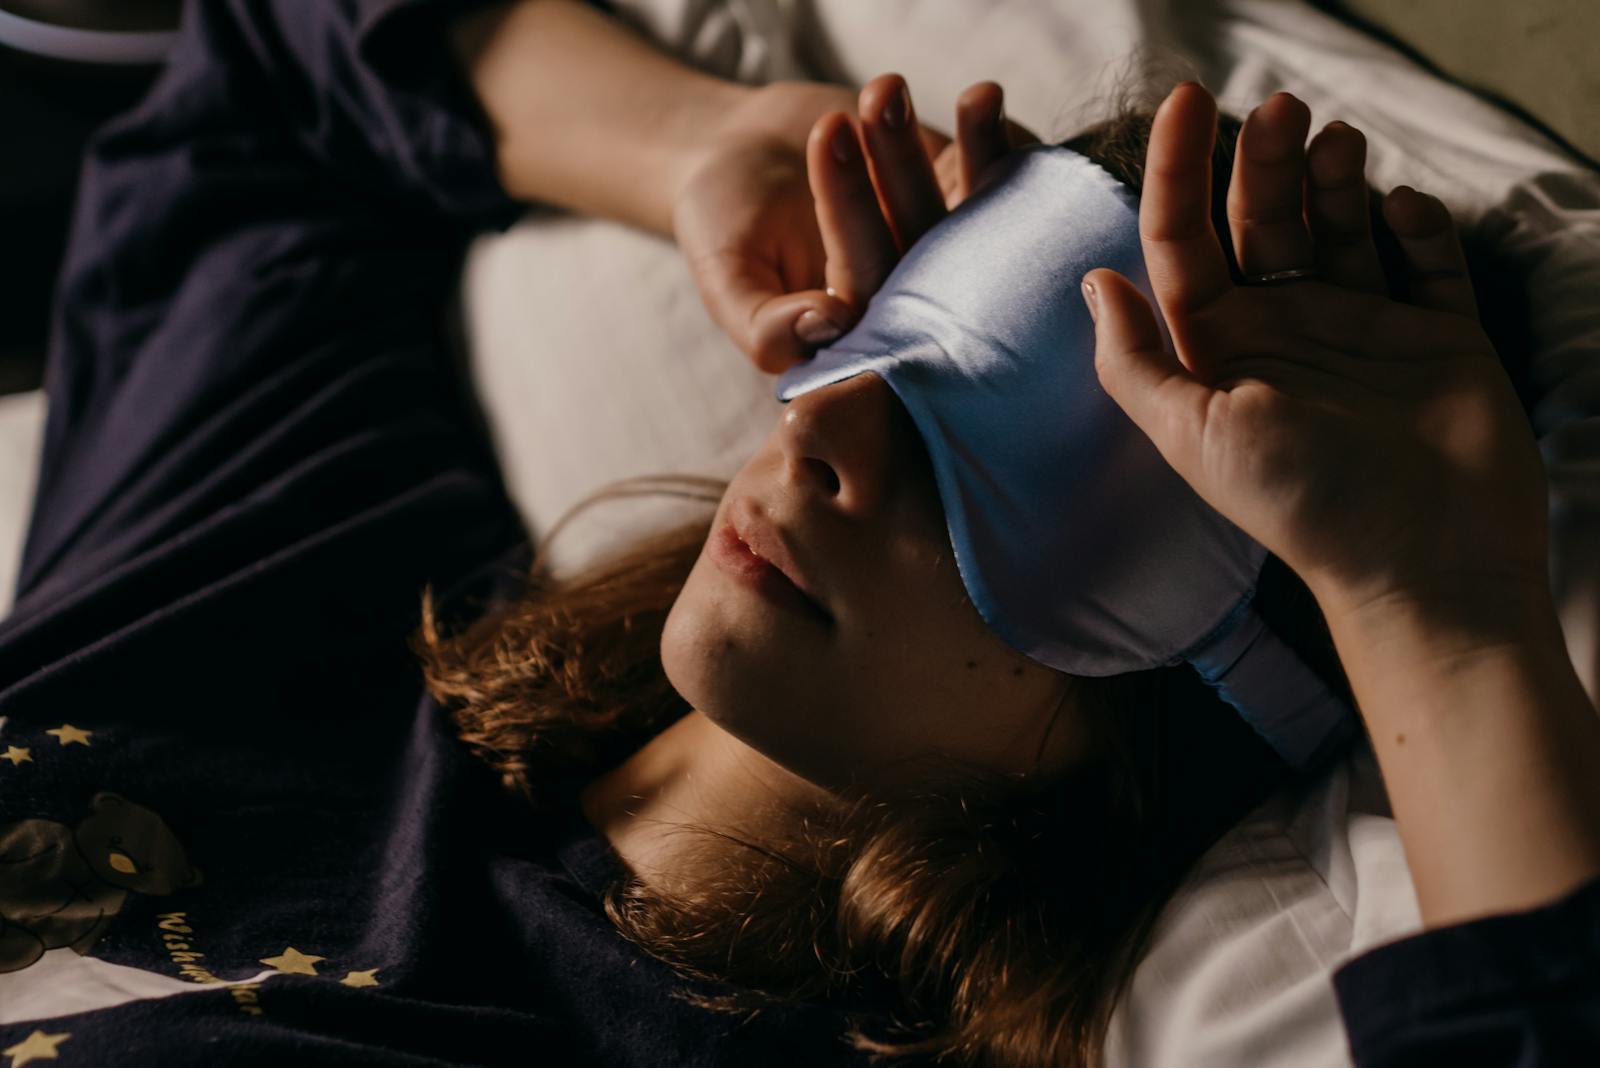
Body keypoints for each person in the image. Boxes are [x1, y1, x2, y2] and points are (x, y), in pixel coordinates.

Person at [0, 4, 1593, 1068]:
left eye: (1007, 461)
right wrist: (692, 147)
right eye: (902, 342)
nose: (820, 427)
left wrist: (1442, 619)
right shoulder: (273, 602)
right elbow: (264, 76)